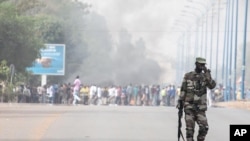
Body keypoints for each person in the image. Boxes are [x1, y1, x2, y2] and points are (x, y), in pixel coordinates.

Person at [177, 57, 216, 141]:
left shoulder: (205, 77)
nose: (202, 66)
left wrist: (207, 73)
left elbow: (212, 86)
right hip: (189, 107)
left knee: (204, 128)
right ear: (196, 64)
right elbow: (183, 90)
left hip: (200, 108)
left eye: (203, 65)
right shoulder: (188, 76)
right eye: (200, 64)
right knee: (190, 131)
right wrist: (180, 102)